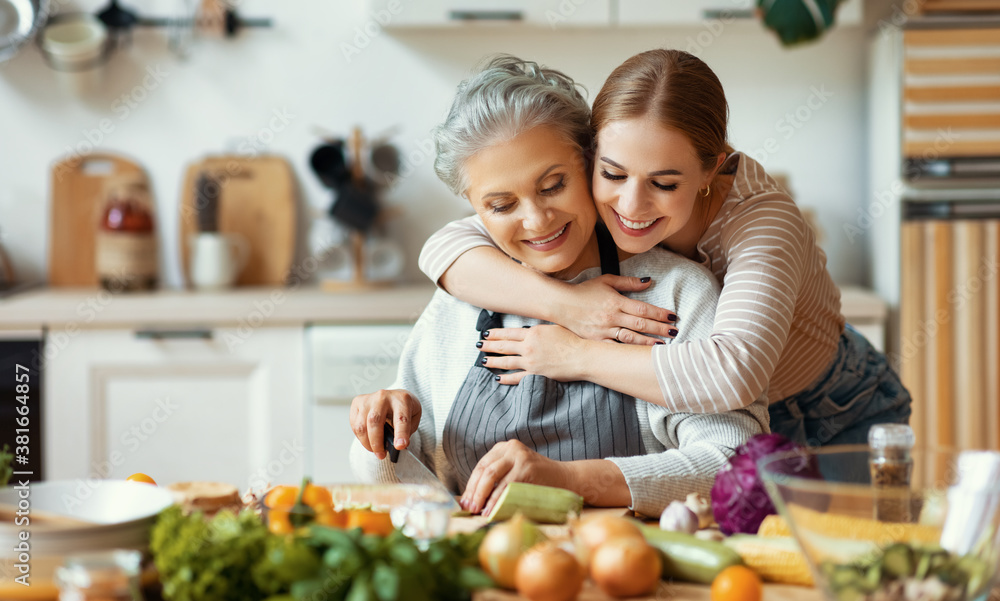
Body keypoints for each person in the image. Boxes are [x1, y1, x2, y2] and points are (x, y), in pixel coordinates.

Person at [417, 49, 910, 448]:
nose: (629, 205)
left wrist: (575, 353)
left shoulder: (763, 223)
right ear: (591, 155)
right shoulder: (577, 197)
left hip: (826, 409)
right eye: (611, 173)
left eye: (665, 183)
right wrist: (569, 305)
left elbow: (731, 374)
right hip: (716, 418)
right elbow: (446, 246)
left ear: (711, 170)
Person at [350, 56, 768, 518]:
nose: (536, 220)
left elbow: (735, 465)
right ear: (474, 209)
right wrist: (383, 439)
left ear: (590, 161)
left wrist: (567, 480)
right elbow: (420, 490)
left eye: (552, 185)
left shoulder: (673, 293)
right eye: (502, 204)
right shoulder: (461, 297)